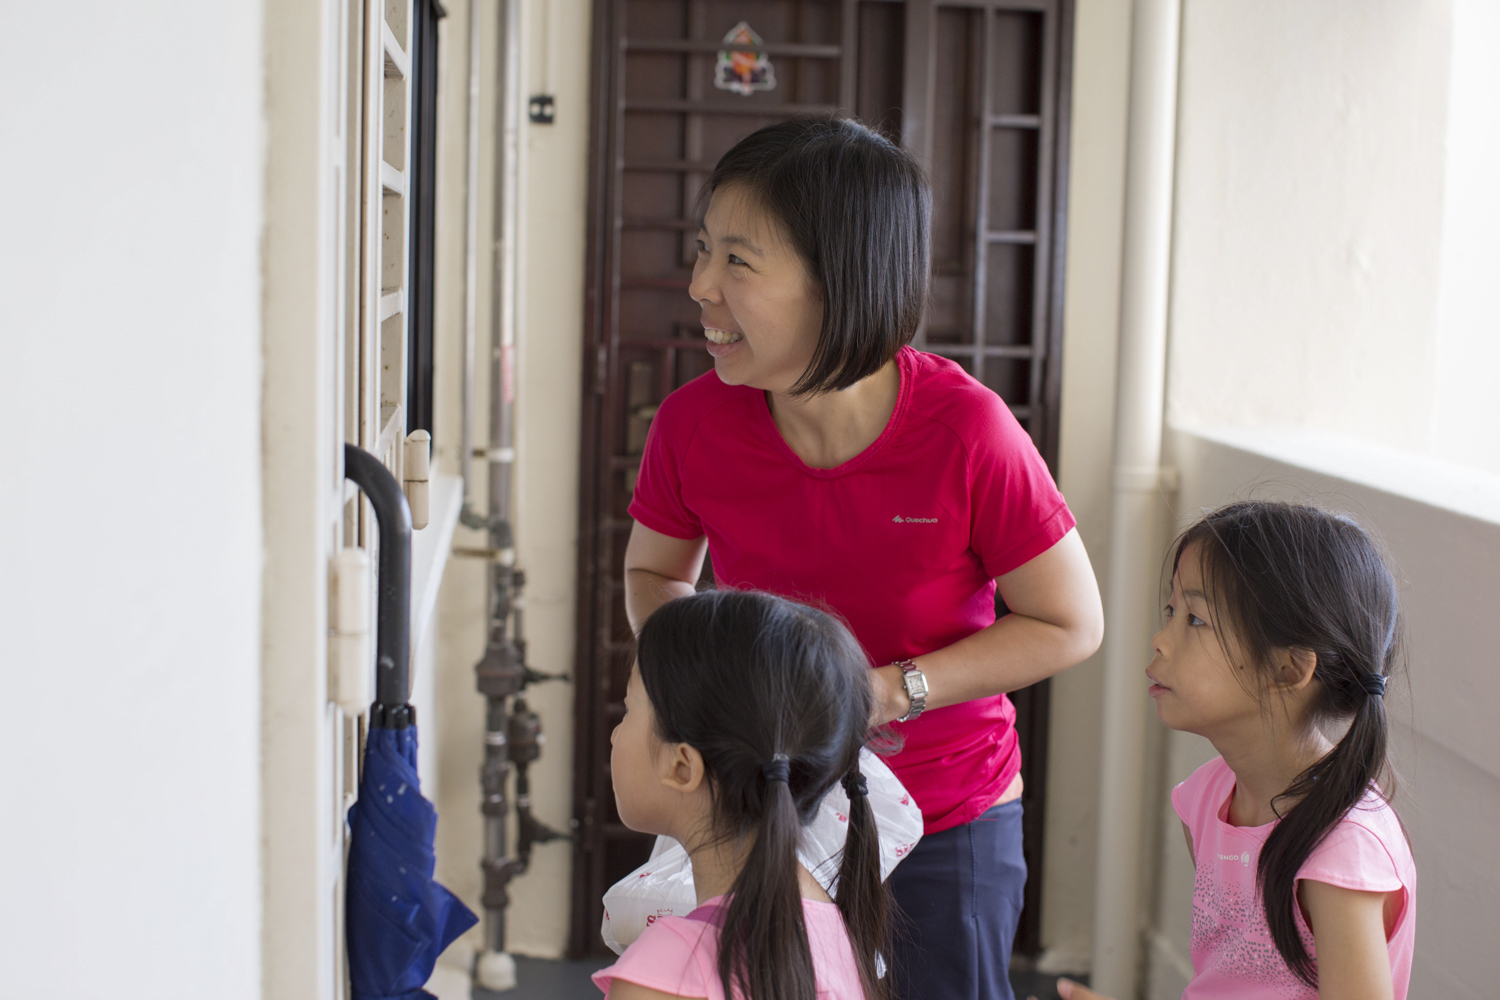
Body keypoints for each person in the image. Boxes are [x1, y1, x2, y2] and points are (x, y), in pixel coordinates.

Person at [623, 114, 1105, 1000]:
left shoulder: (968, 432)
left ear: (836, 281)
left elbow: (1070, 623)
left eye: (736, 260)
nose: (698, 286)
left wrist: (888, 690)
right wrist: (710, 680)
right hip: (769, 805)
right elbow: (655, 576)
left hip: (947, 810)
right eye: (702, 252)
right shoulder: (692, 424)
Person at [1042, 501, 1416, 1000]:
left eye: (1195, 620)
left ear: (1288, 669)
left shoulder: (1342, 854)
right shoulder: (1207, 798)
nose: (1159, 640)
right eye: (1171, 611)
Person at [593, 589, 889, 1000]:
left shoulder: (669, 973)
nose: (613, 734)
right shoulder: (837, 933)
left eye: (629, 709)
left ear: (682, 767)